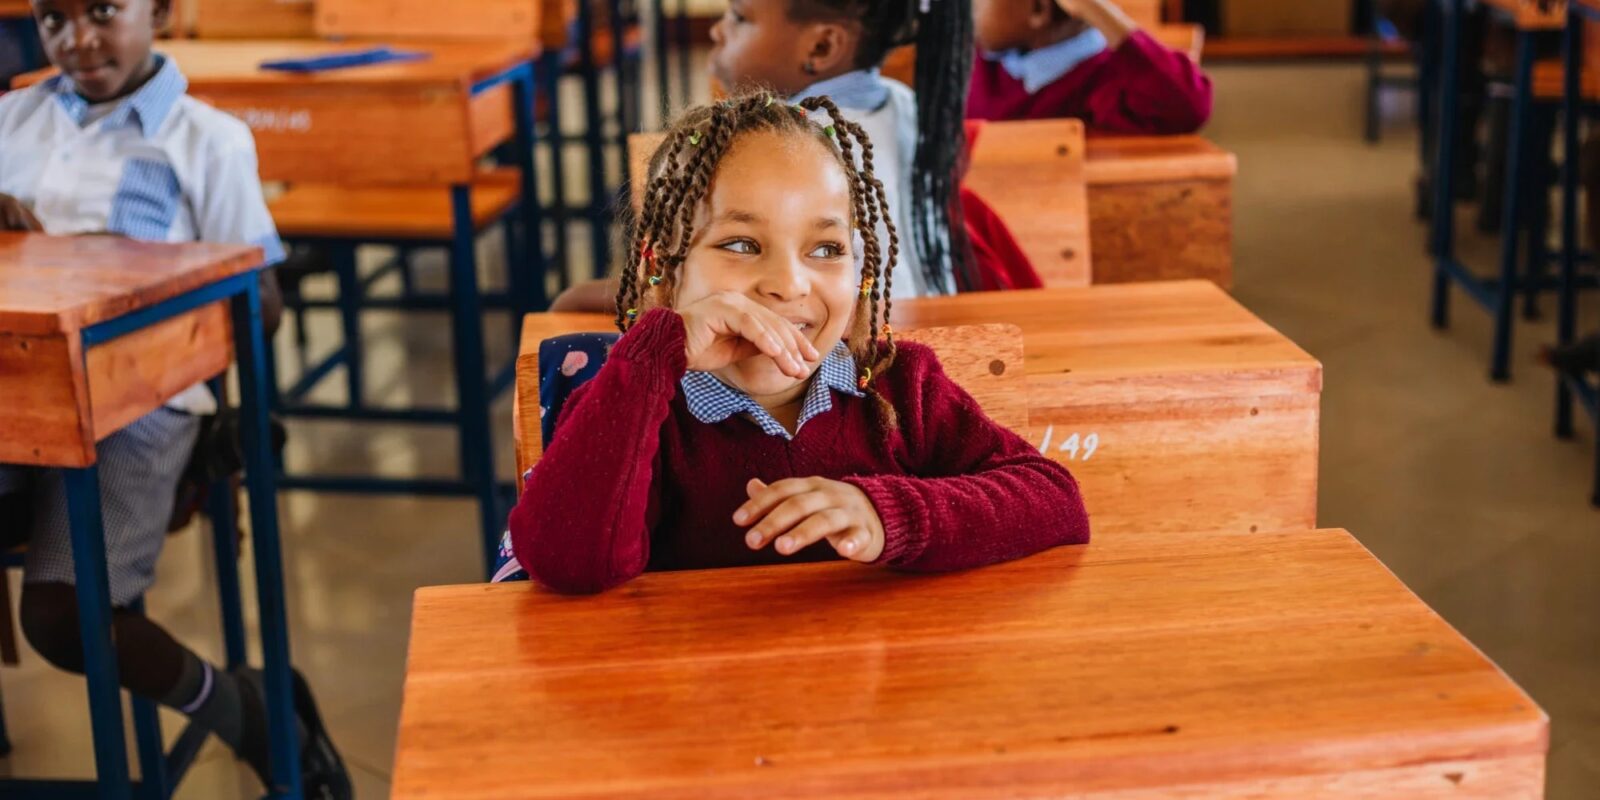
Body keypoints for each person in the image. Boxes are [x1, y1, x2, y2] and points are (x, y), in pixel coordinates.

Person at [508, 93, 1090, 594]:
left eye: (826, 249)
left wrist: (889, 516)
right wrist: (653, 358)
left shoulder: (898, 387)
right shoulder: (635, 409)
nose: (788, 285)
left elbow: (1054, 499)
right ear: (663, 267)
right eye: (740, 244)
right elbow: (569, 565)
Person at [0, 0, 348, 795]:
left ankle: (244, 712)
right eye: (54, 19)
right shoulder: (12, 119)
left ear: (157, 11)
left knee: (61, 618)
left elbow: (258, 304)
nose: (79, 41)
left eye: (102, 12)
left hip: (145, 407)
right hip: (19, 396)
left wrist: (146, 277)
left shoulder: (207, 138)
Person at [551, 0, 1032, 311]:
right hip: (919, 333)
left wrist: (580, 299)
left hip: (837, 354)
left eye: (740, 18)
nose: (719, 31)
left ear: (822, 46)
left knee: (573, 308)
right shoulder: (902, 104)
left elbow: (724, 291)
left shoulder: (780, 148)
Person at [967, 0, 1212, 133]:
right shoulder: (975, 60)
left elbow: (1189, 104)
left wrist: (1095, 8)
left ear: (1039, 9)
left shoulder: (1104, 83)